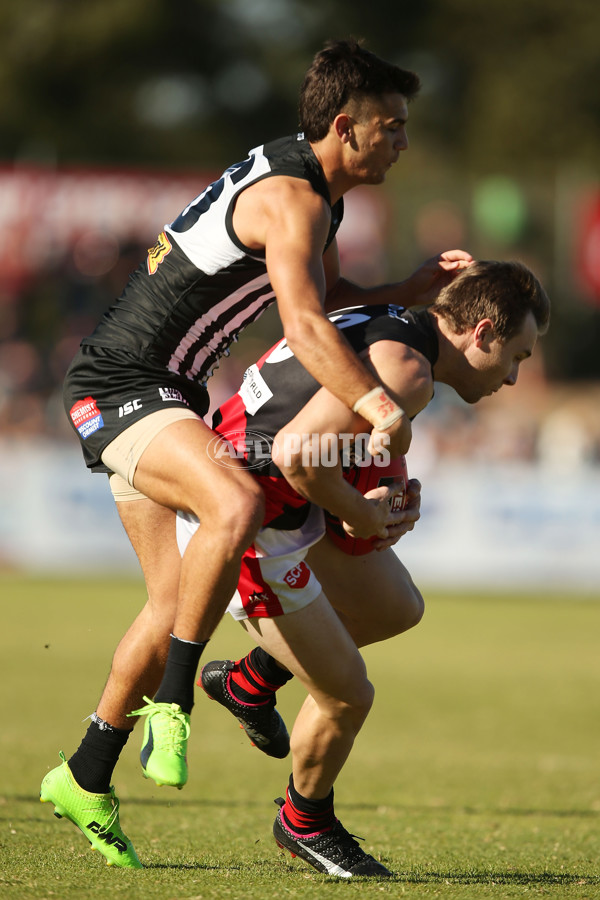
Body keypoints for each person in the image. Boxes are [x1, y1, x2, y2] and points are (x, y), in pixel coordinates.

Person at [40, 39, 472, 868]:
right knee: (234, 503)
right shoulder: (294, 199)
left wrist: (401, 292)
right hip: (124, 386)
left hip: (158, 394)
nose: (404, 141)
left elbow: (327, 300)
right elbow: (305, 330)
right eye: (393, 126)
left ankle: (85, 774)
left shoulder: (319, 198)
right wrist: (380, 403)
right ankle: (175, 707)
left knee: (174, 607)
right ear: (346, 127)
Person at [176, 259, 551, 878]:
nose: (514, 377)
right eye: (518, 356)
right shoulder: (408, 372)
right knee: (348, 695)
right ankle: (305, 820)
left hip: (269, 493)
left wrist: (384, 493)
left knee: (393, 606)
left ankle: (247, 684)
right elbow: (296, 453)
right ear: (482, 333)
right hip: (243, 517)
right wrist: (360, 512)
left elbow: (313, 432)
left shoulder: (397, 331)